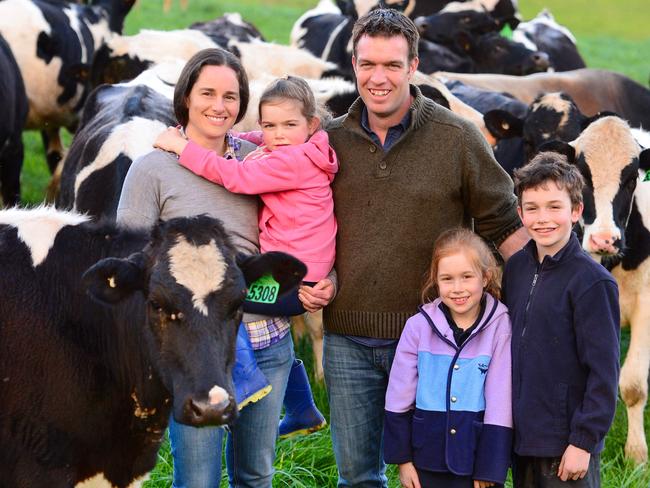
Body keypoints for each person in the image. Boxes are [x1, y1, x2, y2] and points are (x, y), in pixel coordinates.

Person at [297, 8, 529, 487]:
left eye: (391, 65)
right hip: (349, 340)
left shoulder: (457, 138)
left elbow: (504, 222)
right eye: (367, 64)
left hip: (439, 342)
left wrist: (549, 291)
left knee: (433, 475)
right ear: (353, 64)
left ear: (414, 66)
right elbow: (299, 219)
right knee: (356, 477)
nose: (377, 78)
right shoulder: (327, 143)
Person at [117, 48, 292, 488]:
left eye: (231, 96)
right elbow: (134, 258)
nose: (219, 106)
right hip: (193, 347)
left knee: (257, 475)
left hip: (264, 337)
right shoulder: (152, 169)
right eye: (207, 93)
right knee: (197, 479)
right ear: (186, 98)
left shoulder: (261, 164)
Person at [154, 75, 335, 438]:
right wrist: (243, 138)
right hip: (305, 268)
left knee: (220, 301)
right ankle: (303, 408)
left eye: (288, 125)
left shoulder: (290, 163)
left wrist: (181, 147)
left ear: (311, 124)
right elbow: (261, 143)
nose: (277, 135)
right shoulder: (310, 148)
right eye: (268, 125)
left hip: (293, 277)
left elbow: (234, 177)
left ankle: (250, 378)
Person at [502, 152, 620, 488]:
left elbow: (604, 371)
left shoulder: (592, 282)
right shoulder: (517, 269)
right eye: (532, 208)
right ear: (520, 212)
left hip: (568, 444)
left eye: (555, 206)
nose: (543, 218)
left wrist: (583, 441)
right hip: (524, 439)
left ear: (577, 210)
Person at [384, 228, 512, 488]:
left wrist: (490, 468)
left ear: (485, 277)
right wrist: (403, 460)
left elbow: (501, 400)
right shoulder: (417, 327)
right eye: (447, 279)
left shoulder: (500, 326)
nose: (457, 288)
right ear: (436, 281)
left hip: (475, 458)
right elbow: (399, 395)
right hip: (425, 457)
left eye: (467, 277)